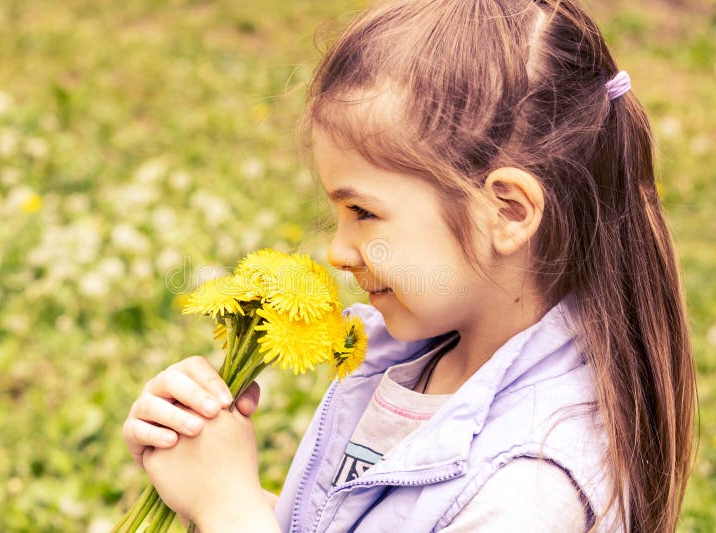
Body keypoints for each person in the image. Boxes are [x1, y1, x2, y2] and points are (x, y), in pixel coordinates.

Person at [121, 1, 697, 531]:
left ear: (507, 211)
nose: (338, 253)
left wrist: (228, 504)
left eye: (364, 212)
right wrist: (207, 472)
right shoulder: (426, 360)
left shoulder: (530, 490)